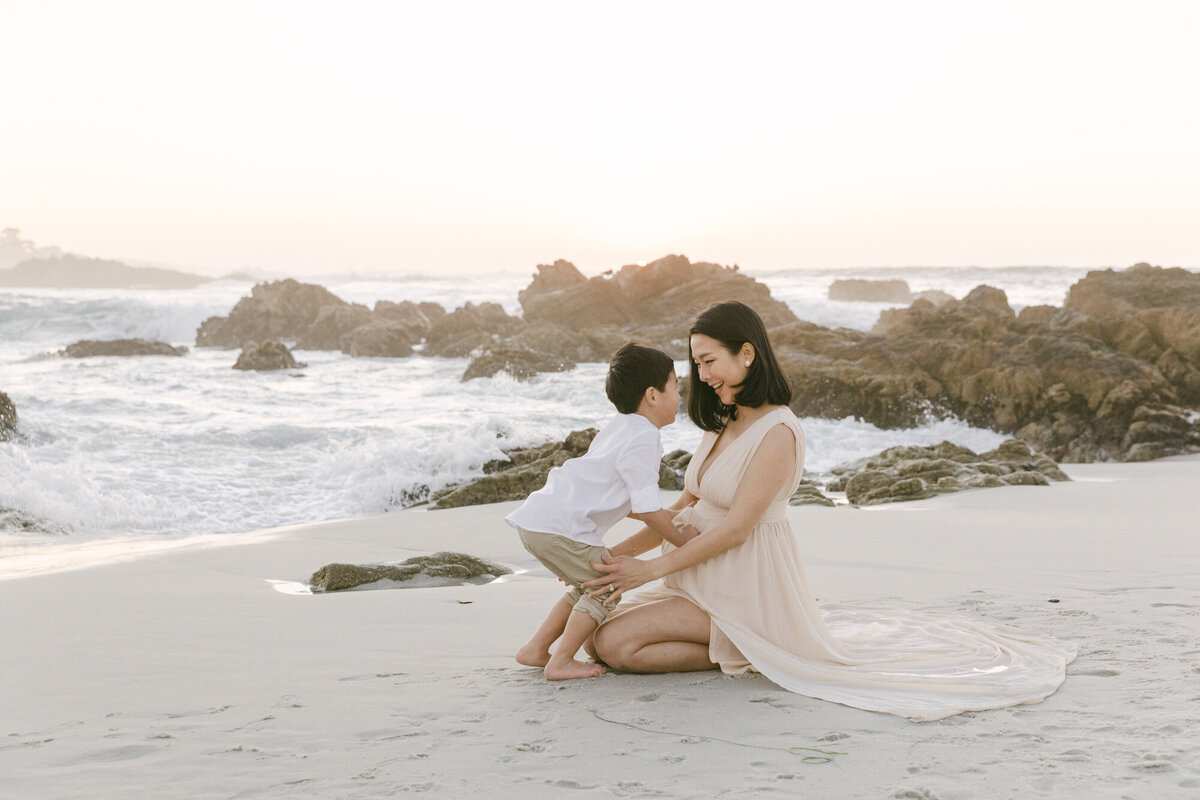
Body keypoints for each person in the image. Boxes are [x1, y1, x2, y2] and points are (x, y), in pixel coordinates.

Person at [582, 301, 1076, 721]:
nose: (703, 375)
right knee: (594, 636)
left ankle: (758, 645)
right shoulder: (722, 420)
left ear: (747, 354)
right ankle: (745, 649)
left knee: (616, 645)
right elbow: (680, 509)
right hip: (695, 575)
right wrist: (606, 559)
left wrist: (648, 569)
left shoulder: (779, 432)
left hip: (743, 585)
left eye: (710, 361)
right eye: (697, 364)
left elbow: (735, 531)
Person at [507, 342, 699, 681]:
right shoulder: (645, 438)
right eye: (676, 387)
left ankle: (537, 648)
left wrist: (668, 517)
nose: (679, 397)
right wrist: (683, 540)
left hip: (540, 519)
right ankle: (561, 660)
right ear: (652, 395)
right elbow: (646, 507)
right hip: (561, 526)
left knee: (589, 585)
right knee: (606, 587)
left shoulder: (619, 426)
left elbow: (625, 503)